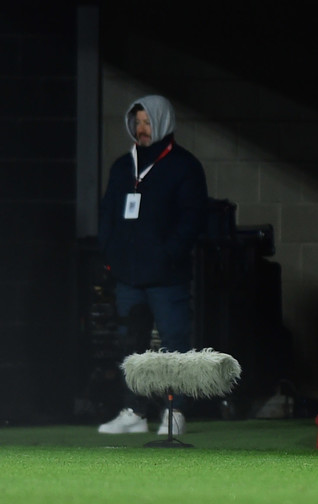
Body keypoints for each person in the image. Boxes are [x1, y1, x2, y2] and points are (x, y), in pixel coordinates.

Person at [97, 94, 208, 435]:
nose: (142, 129)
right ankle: (135, 411)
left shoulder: (184, 166)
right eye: (137, 122)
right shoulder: (121, 166)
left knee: (174, 345)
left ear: (162, 122)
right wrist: (112, 259)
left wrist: (166, 255)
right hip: (128, 277)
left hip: (166, 277)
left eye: (147, 122)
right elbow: (108, 218)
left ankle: (175, 413)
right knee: (132, 347)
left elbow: (192, 220)